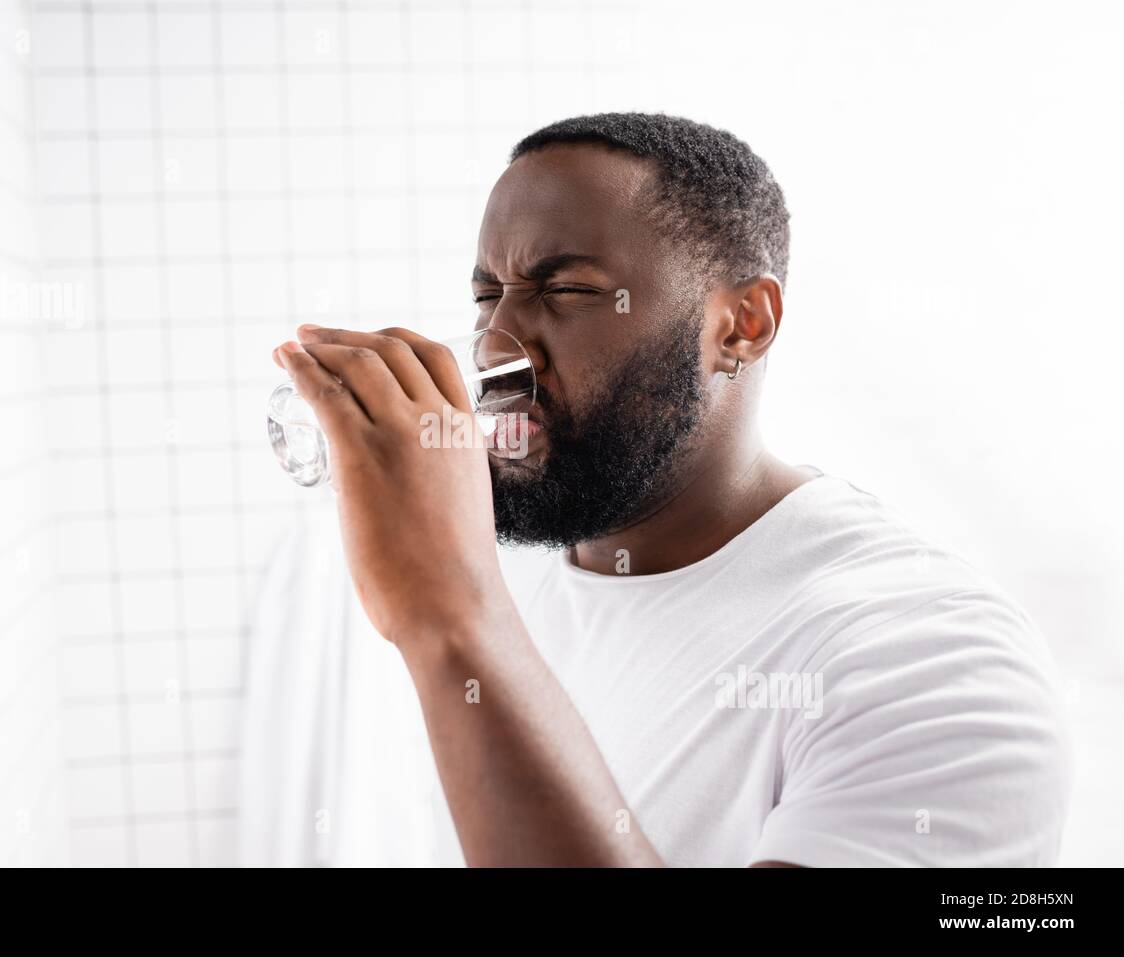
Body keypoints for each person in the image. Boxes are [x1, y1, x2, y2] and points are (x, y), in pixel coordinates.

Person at [271, 112, 1069, 866]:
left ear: (740, 326)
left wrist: (451, 614)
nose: (491, 349)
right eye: (488, 297)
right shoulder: (512, 561)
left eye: (568, 291)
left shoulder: (929, 655)